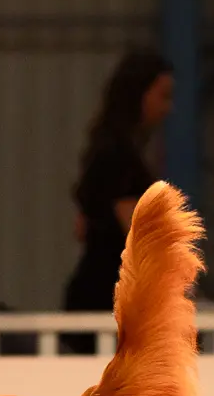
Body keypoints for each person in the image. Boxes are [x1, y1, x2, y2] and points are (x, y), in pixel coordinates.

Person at [63, 50, 175, 311]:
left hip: (97, 293)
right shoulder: (119, 156)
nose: (168, 108)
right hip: (107, 299)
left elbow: (82, 228)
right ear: (138, 94)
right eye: (163, 96)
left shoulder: (107, 151)